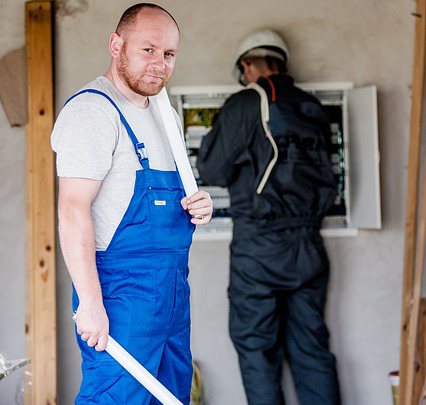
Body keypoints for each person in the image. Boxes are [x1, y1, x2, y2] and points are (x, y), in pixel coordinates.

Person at [51, 4, 213, 404]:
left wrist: (199, 203)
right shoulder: (92, 111)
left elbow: (164, 198)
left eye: (169, 54)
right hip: (122, 294)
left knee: (171, 396)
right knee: (117, 398)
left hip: (173, 288)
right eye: (148, 50)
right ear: (116, 45)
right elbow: (72, 209)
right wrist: (90, 304)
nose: (160, 63)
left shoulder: (163, 114)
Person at [197, 29, 341, 405]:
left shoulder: (247, 102)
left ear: (247, 66)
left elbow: (212, 169)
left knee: (257, 350)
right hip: (309, 246)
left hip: (260, 247)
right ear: (283, 63)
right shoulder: (311, 107)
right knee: (311, 350)